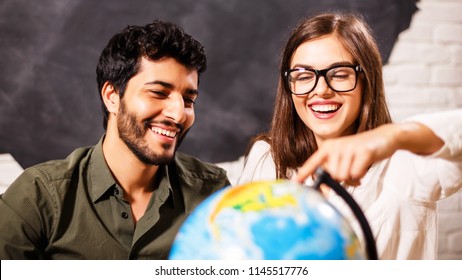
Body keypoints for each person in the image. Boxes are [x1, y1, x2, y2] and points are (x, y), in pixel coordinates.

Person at [237, 12, 462, 259]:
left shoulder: (406, 162)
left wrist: (394, 136)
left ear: (367, 80)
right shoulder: (266, 158)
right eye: (303, 76)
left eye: (340, 74)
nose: (321, 90)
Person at [0, 20, 229, 259]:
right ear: (112, 97)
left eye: (188, 100)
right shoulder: (38, 195)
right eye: (158, 93)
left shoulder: (213, 193)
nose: (179, 113)